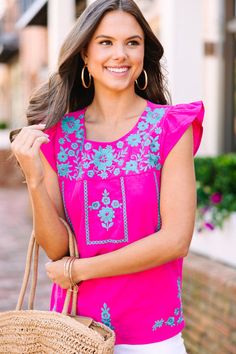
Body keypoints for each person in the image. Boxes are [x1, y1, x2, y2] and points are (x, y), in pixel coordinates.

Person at [11, 0, 205, 353]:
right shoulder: (58, 136)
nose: (121, 54)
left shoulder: (171, 128)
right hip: (72, 331)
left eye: (133, 42)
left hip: (151, 336)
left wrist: (79, 271)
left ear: (145, 54)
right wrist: (35, 179)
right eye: (105, 42)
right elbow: (56, 247)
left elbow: (175, 240)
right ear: (84, 54)